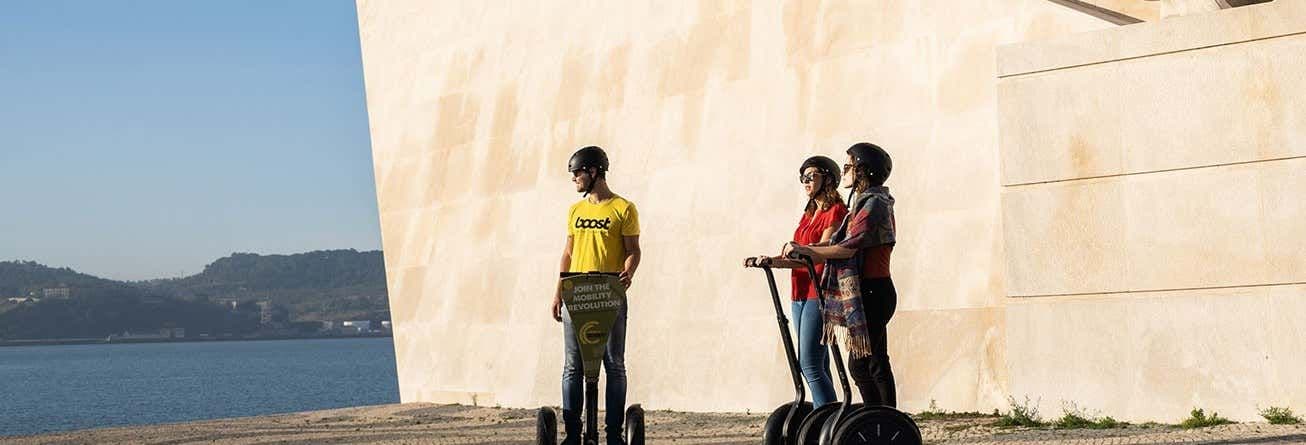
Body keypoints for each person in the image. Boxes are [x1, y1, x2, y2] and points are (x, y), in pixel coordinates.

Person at [783, 142, 898, 407]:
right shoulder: (863, 203)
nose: (844, 172)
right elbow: (842, 244)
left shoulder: (875, 204)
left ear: (863, 171)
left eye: (848, 167)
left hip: (876, 289)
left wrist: (809, 251)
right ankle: (876, 417)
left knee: (869, 364)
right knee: (867, 364)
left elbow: (848, 247)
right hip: (867, 289)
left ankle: (884, 419)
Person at [551, 145, 642, 445]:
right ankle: (573, 434)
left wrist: (628, 272)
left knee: (613, 363)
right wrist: (557, 293)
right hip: (576, 293)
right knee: (573, 366)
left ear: (593, 171)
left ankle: (614, 434)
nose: (574, 179)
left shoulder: (623, 208)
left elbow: (633, 250)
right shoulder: (575, 211)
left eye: (577, 173)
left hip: (609, 293)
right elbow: (568, 253)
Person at [744, 156, 845, 407]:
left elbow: (821, 250)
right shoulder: (808, 215)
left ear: (827, 179)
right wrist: (771, 261)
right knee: (819, 363)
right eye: (803, 177)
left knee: (809, 363)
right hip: (799, 291)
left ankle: (826, 417)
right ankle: (828, 412)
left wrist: (795, 252)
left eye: (811, 176)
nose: (806, 181)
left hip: (818, 291)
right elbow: (798, 255)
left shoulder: (835, 211)